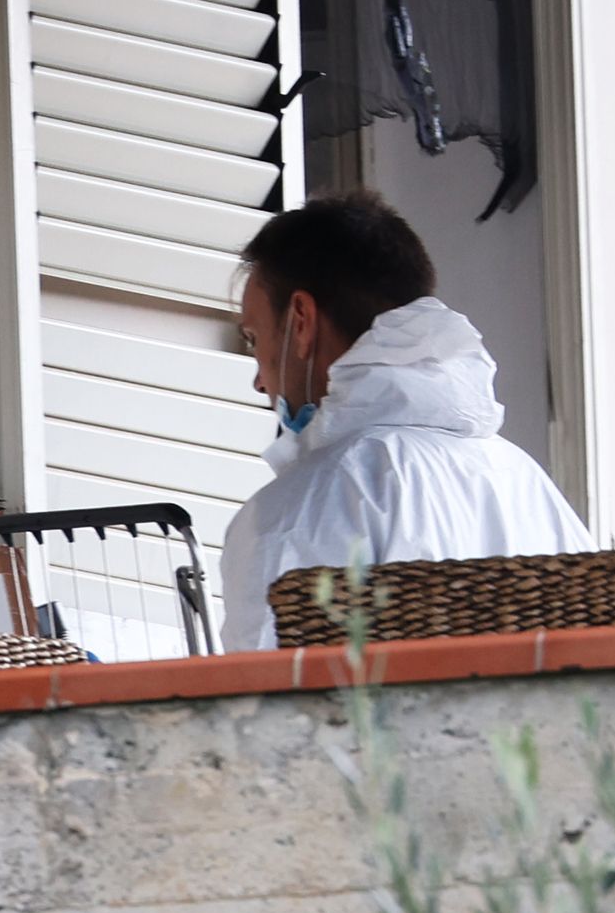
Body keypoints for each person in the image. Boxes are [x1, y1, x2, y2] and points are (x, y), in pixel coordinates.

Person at [219, 189, 592, 651]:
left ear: (301, 321)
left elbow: (267, 702)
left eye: (255, 340)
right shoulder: (522, 478)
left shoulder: (300, 509)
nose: (260, 381)